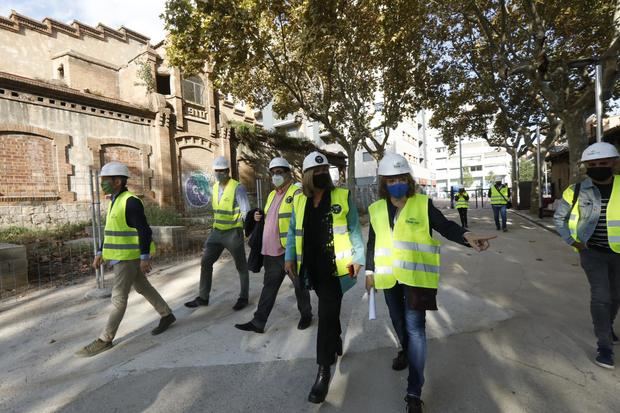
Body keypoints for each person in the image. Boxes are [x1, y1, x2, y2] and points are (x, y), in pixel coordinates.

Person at [365, 153, 495, 412]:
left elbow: (445, 226)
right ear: (384, 183)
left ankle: (414, 391)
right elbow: (373, 242)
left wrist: (466, 235)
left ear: (408, 180)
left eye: (401, 178)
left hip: (417, 279)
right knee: (398, 322)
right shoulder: (376, 209)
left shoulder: (422, 205)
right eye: (391, 180)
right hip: (389, 277)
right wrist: (369, 271)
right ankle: (405, 350)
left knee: (416, 331)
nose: (397, 183)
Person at [284, 151, 365, 404]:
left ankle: (322, 370)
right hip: (311, 270)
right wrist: (288, 257)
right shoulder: (299, 201)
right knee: (330, 315)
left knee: (325, 316)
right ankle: (337, 336)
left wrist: (358, 259)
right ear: (307, 175)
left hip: (336, 270)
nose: (321, 174)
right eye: (316, 172)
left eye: (324, 171)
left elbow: (353, 229)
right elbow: (291, 232)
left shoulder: (342, 196)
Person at [76, 162, 175, 357]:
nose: (102, 183)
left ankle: (105, 339)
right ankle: (167, 314)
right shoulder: (115, 200)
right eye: (102, 180)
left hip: (128, 259)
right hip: (122, 256)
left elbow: (144, 231)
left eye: (106, 180)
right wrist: (100, 252)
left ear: (118, 181)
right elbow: (111, 231)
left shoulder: (131, 202)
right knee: (142, 287)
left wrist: (144, 257)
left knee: (118, 299)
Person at [553, 141, 620, 369]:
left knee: (616, 296)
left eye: (603, 162)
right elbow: (559, 218)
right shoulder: (576, 190)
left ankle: (608, 326)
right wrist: (574, 242)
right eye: (593, 164)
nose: (598, 166)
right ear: (586, 167)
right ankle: (604, 347)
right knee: (602, 297)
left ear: (614, 163)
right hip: (592, 253)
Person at [235, 157, 312, 333]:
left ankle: (306, 314)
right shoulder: (271, 195)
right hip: (270, 252)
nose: (276, 176)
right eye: (273, 173)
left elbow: (301, 219)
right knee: (269, 287)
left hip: (288, 251)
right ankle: (258, 322)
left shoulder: (297, 192)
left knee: (299, 286)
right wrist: (257, 217)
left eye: (280, 172)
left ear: (288, 173)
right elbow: (271, 216)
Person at [185, 156, 251, 311]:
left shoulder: (237, 187)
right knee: (206, 262)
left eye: (222, 171)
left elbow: (246, 211)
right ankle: (203, 297)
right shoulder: (214, 187)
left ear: (228, 171)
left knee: (241, 266)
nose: (219, 173)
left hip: (233, 233)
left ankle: (243, 297)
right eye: (217, 171)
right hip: (216, 233)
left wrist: (247, 232)